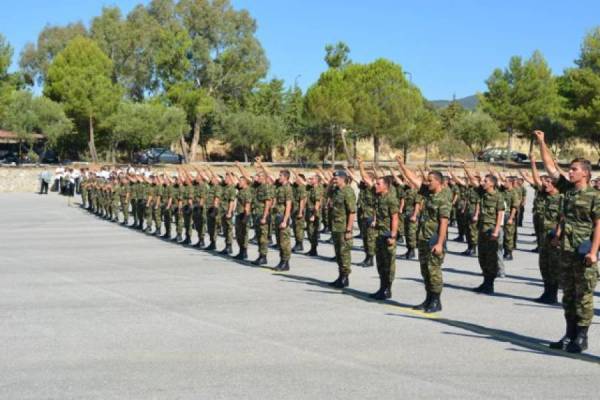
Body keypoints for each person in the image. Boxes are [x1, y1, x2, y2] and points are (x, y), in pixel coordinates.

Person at [534, 130, 600, 354]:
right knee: (568, 295)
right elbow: (551, 168)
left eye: (574, 169)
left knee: (584, 295)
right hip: (566, 251)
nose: (570, 172)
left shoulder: (595, 196)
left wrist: (593, 251)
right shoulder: (568, 192)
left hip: (583, 253)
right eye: (570, 169)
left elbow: (599, 225)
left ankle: (581, 337)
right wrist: (542, 142)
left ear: (586, 174)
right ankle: (569, 333)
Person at [471, 169, 505, 295]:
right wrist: (467, 169)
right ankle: (485, 282)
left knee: (491, 258)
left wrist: (496, 231)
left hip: (491, 231)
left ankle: (490, 285)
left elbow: (500, 214)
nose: (483, 182)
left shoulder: (498, 196)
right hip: (482, 230)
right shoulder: (482, 194)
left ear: (492, 183)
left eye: (485, 181)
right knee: (482, 257)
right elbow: (473, 181)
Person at [370, 175, 399, 300]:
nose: (375, 186)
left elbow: (395, 218)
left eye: (378, 184)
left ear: (386, 186)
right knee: (380, 263)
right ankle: (382, 288)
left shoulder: (391, 199)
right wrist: (375, 221)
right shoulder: (378, 197)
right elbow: (377, 212)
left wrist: (393, 235)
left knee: (388, 263)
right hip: (379, 233)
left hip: (387, 234)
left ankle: (387, 289)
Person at [328, 170, 356, 288]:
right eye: (334, 177)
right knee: (338, 253)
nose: (335, 179)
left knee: (344, 253)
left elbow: (352, 212)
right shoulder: (335, 190)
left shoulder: (348, 191)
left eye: (337, 178)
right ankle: (340, 276)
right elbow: (326, 193)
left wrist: (349, 229)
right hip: (335, 226)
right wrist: (331, 182)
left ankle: (345, 277)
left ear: (343, 178)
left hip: (344, 227)